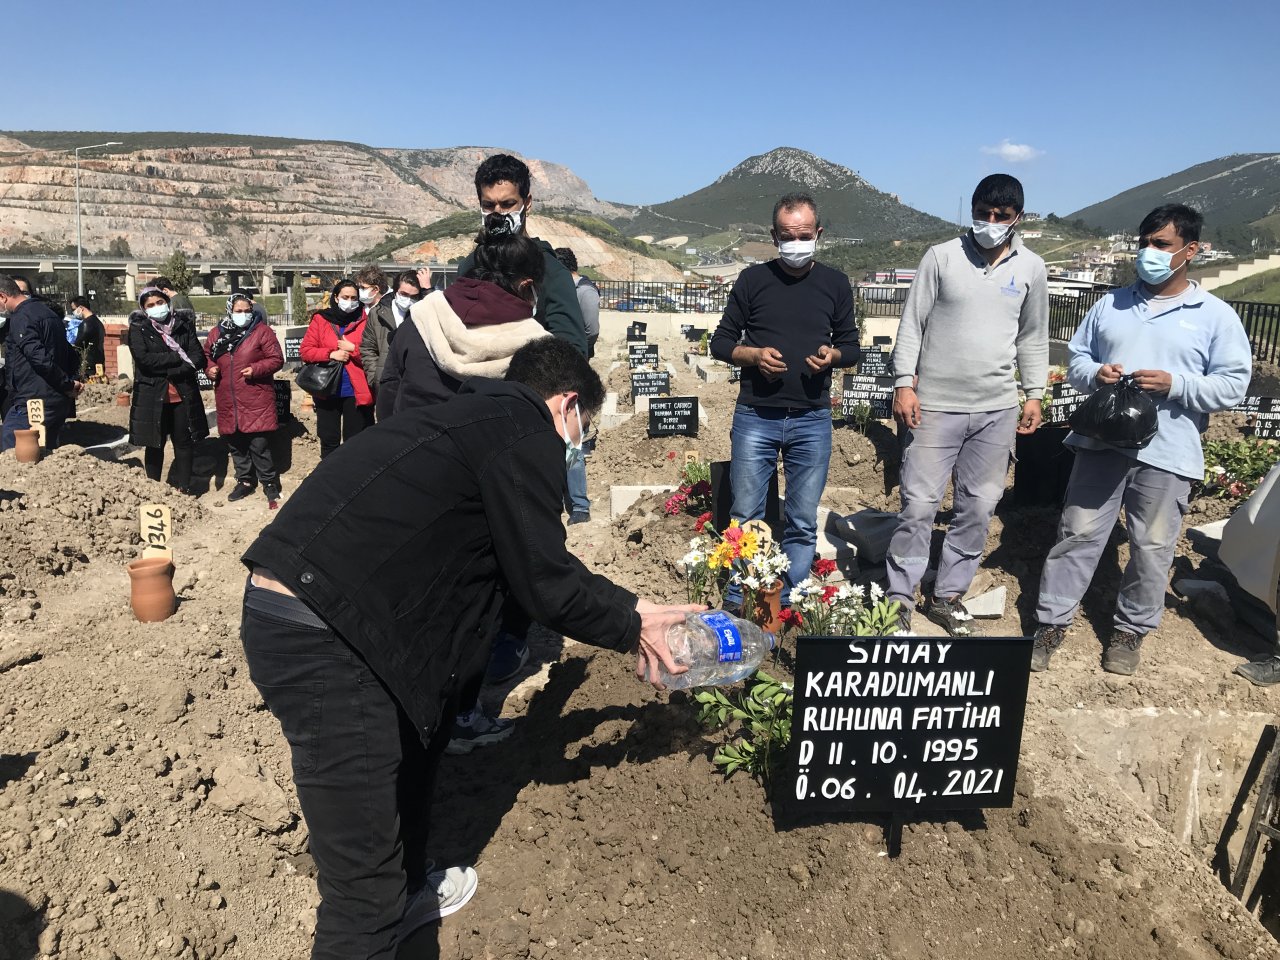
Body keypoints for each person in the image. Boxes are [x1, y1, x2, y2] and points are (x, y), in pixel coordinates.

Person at [239, 337, 697, 958]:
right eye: (582, 430)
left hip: (332, 615)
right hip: (325, 634)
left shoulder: (470, 417)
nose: (578, 446)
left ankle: (409, 895)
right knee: (360, 893)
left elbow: (517, 571)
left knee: (417, 742)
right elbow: (544, 580)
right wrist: (628, 624)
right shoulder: (520, 430)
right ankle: (384, 912)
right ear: (565, 406)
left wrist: (632, 608)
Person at [1029, 204, 1252, 675]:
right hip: (1099, 445)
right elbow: (1077, 360)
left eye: (1161, 245)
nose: (1148, 252)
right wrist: (1097, 374)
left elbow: (1232, 386)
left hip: (1168, 451)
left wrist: (1177, 385)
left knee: (1152, 546)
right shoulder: (1111, 304)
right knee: (1078, 533)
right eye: (1145, 242)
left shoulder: (1215, 316)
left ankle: (1131, 631)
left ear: (1190, 251)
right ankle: (1051, 623)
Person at [379, 231, 553, 752]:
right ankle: (463, 714)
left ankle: (410, 706)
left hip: (413, 472)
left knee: (423, 595)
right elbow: (534, 425)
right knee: (478, 602)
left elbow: (391, 390)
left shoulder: (424, 317)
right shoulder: (531, 339)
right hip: (482, 486)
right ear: (526, 283)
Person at [887, 173, 1049, 636]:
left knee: (977, 507)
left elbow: (1033, 337)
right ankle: (900, 596)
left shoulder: (1032, 269)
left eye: (1000, 216)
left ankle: (948, 594)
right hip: (934, 404)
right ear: (972, 210)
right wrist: (904, 383)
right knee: (918, 505)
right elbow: (913, 324)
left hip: (996, 408)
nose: (990, 222)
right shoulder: (941, 257)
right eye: (982, 213)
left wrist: (1033, 393)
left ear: (1017, 217)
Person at [709, 192, 859, 604]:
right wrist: (753, 356)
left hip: (811, 418)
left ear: (819, 234)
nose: (796, 243)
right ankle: (740, 602)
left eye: (804, 235)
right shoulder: (753, 281)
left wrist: (833, 356)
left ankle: (783, 605)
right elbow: (720, 343)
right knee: (746, 518)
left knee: (802, 521)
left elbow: (852, 345)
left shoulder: (834, 283)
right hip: (756, 414)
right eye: (787, 236)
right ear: (774, 236)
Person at [456, 154, 587, 355]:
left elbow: (572, 352)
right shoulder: (469, 266)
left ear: (527, 203)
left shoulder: (551, 272)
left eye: (508, 204)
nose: (498, 213)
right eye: (489, 205)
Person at [205, 294, 285, 508]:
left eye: (246, 310)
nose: (243, 315)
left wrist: (257, 369)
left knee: (259, 444)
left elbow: (276, 359)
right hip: (227, 397)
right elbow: (207, 355)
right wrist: (210, 368)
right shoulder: (217, 333)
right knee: (236, 444)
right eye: (238, 311)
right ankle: (245, 481)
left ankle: (269, 483)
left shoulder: (262, 332)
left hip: (255, 395)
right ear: (230, 310)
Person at [127, 287, 209, 492]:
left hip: (182, 394)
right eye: (150, 305)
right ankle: (154, 488)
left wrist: (172, 370)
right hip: (152, 395)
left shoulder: (183, 325)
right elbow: (144, 360)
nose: (157, 308)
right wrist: (177, 356)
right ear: (144, 309)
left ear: (167, 302)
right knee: (154, 443)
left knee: (183, 442)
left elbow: (198, 357)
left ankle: (184, 487)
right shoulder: (139, 328)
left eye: (160, 302)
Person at [0, 274, 82, 451]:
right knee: (44, 451)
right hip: (54, 399)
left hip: (34, 399)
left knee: (12, 447)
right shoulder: (48, 313)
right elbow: (70, 354)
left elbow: (40, 359)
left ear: (2, 297)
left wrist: (67, 384)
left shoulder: (22, 317)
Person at [300, 278, 374, 459]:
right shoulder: (320, 319)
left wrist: (353, 350)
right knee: (328, 439)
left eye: (353, 298)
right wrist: (330, 354)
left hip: (355, 391)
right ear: (336, 297)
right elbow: (306, 351)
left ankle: (350, 479)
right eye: (345, 297)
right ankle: (329, 479)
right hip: (327, 388)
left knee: (354, 440)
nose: (349, 301)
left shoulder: (366, 320)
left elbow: (374, 353)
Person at [554, 247, 600, 523]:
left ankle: (579, 505)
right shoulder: (556, 292)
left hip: (572, 371)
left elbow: (591, 331)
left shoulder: (584, 291)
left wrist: (576, 351)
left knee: (573, 438)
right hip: (552, 371)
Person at [363, 269, 428, 416]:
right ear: (395, 291)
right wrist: (375, 377)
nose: (408, 300)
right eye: (404, 294)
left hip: (415, 386)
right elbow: (368, 347)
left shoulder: (423, 313)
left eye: (413, 296)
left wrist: (427, 290)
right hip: (386, 385)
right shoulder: (378, 313)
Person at [69, 296, 106, 378]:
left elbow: (79, 345)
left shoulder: (86, 324)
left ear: (81, 308)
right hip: (98, 363)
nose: (73, 312)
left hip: (87, 366)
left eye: (73, 309)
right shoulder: (97, 322)